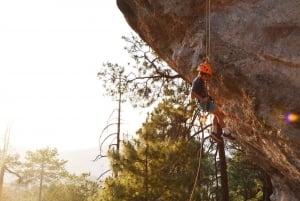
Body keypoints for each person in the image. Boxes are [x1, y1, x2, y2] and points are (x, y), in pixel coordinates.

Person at [191, 60, 234, 140]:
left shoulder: (200, 80)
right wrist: (202, 99)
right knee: (219, 114)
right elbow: (193, 93)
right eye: (207, 76)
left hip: (205, 103)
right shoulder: (198, 81)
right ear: (203, 75)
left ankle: (214, 132)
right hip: (203, 103)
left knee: (216, 114)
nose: (208, 78)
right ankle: (226, 133)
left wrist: (206, 63)